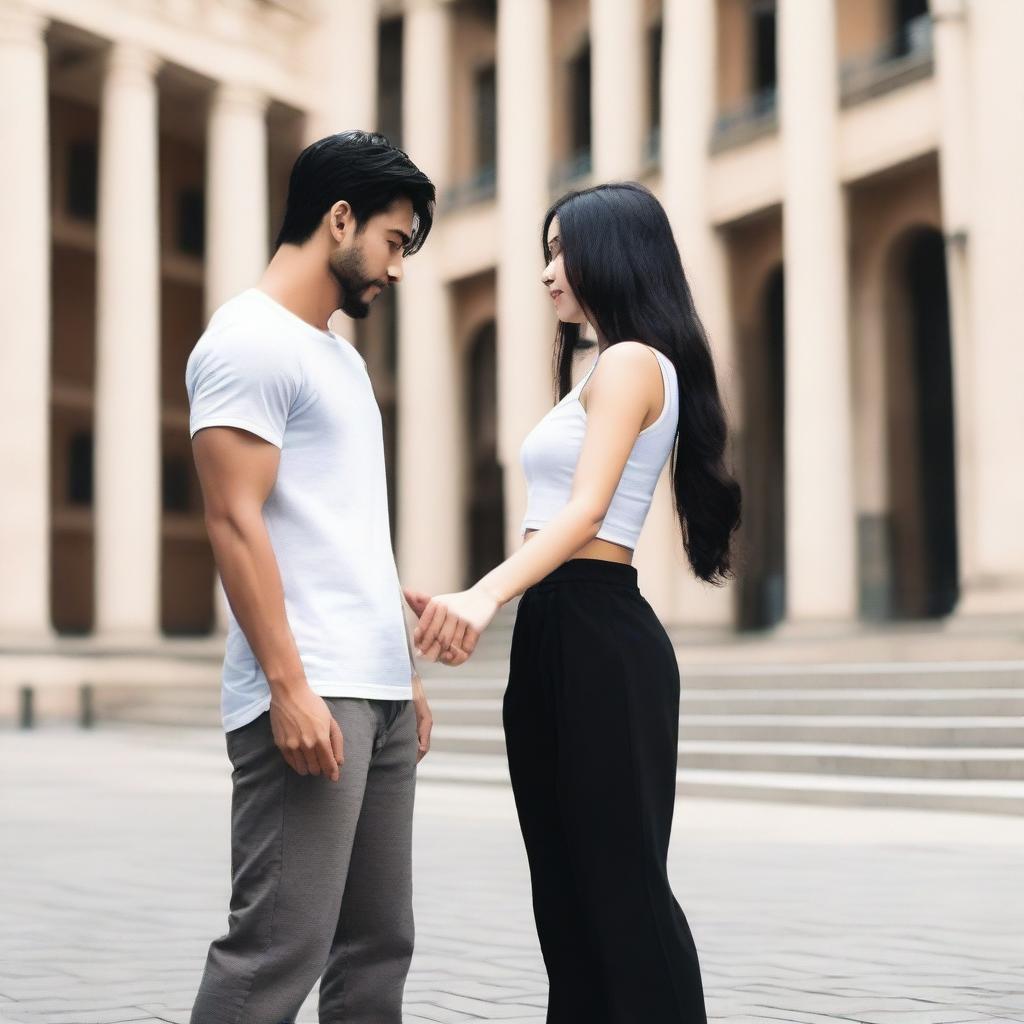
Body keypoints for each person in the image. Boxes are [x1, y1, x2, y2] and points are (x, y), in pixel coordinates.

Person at [407, 181, 742, 1023]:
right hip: (557, 631)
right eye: (545, 253)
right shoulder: (600, 367)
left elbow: (586, 511)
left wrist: (483, 594)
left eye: (563, 252)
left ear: (615, 255)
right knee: (564, 898)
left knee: (620, 894)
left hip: (598, 631)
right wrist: (470, 600)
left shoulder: (631, 362)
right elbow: (550, 520)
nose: (549, 273)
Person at [185, 131, 436, 1024]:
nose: (396, 269)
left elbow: (353, 528)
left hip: (371, 689)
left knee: (377, 951)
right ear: (340, 218)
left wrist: (400, 672)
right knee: (274, 953)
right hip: (309, 690)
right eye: (394, 242)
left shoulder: (340, 357)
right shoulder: (246, 339)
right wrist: (288, 687)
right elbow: (233, 521)